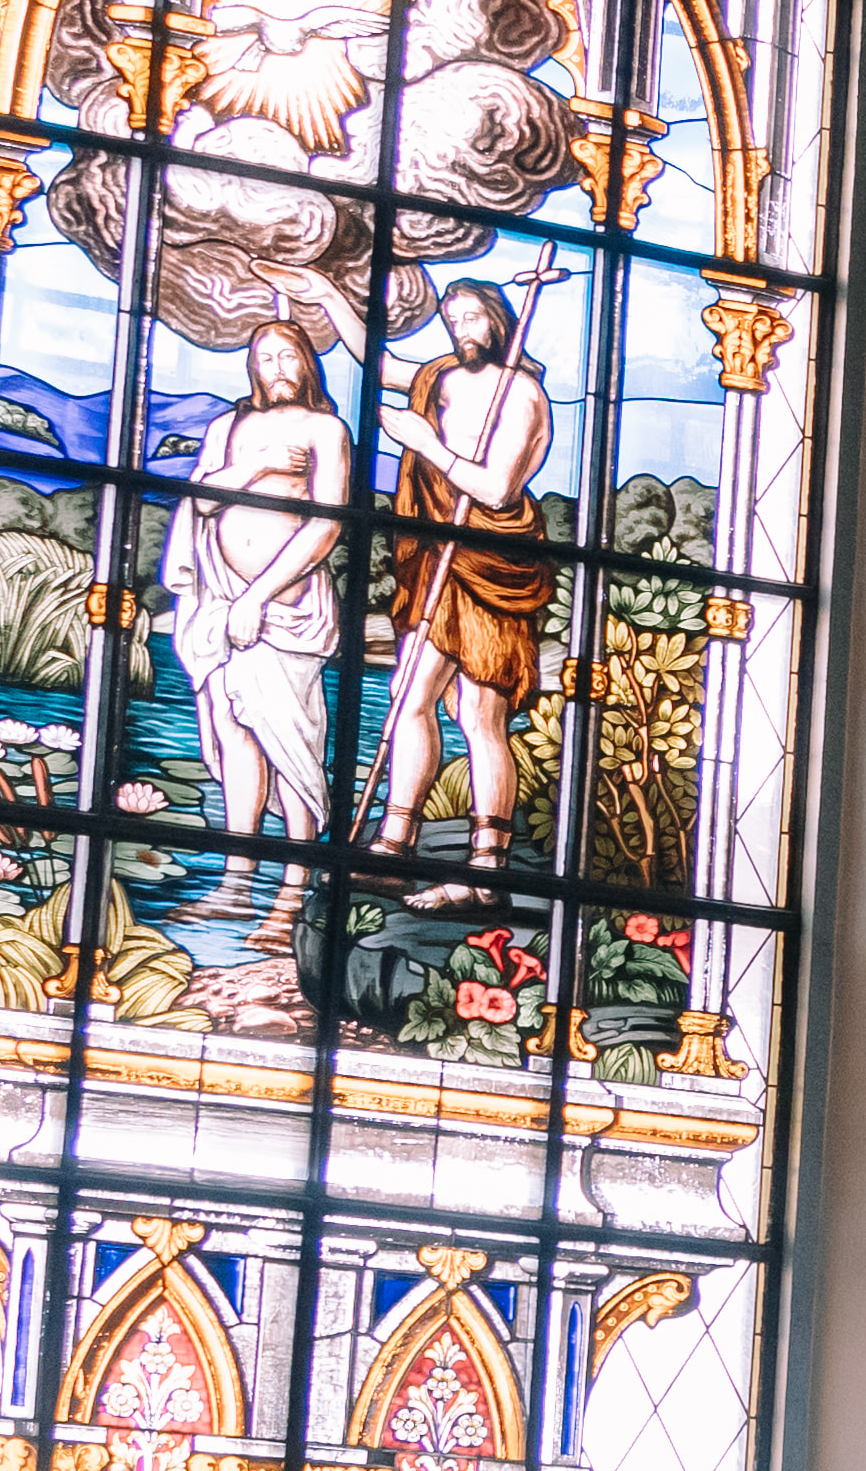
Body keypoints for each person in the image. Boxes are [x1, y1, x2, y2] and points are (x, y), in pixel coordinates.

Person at [162, 327, 355, 1017]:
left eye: (286, 355)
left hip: (286, 609)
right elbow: (205, 500)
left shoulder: (328, 429)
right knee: (234, 737)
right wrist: (252, 468)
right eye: (262, 358)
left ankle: (291, 895)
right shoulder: (230, 425)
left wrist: (259, 594)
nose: (275, 367)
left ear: (307, 362)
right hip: (218, 606)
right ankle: (236, 879)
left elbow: (327, 524)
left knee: (290, 746)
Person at [373, 279, 565, 858]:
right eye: (452, 320)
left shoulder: (522, 393)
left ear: (498, 321)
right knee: (410, 698)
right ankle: (394, 839)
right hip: (438, 556)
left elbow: (498, 490)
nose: (461, 331)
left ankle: (487, 859)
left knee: (482, 714)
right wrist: (325, 294)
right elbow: (378, 364)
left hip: (492, 563)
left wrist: (425, 442)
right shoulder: (441, 378)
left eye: (472, 318)